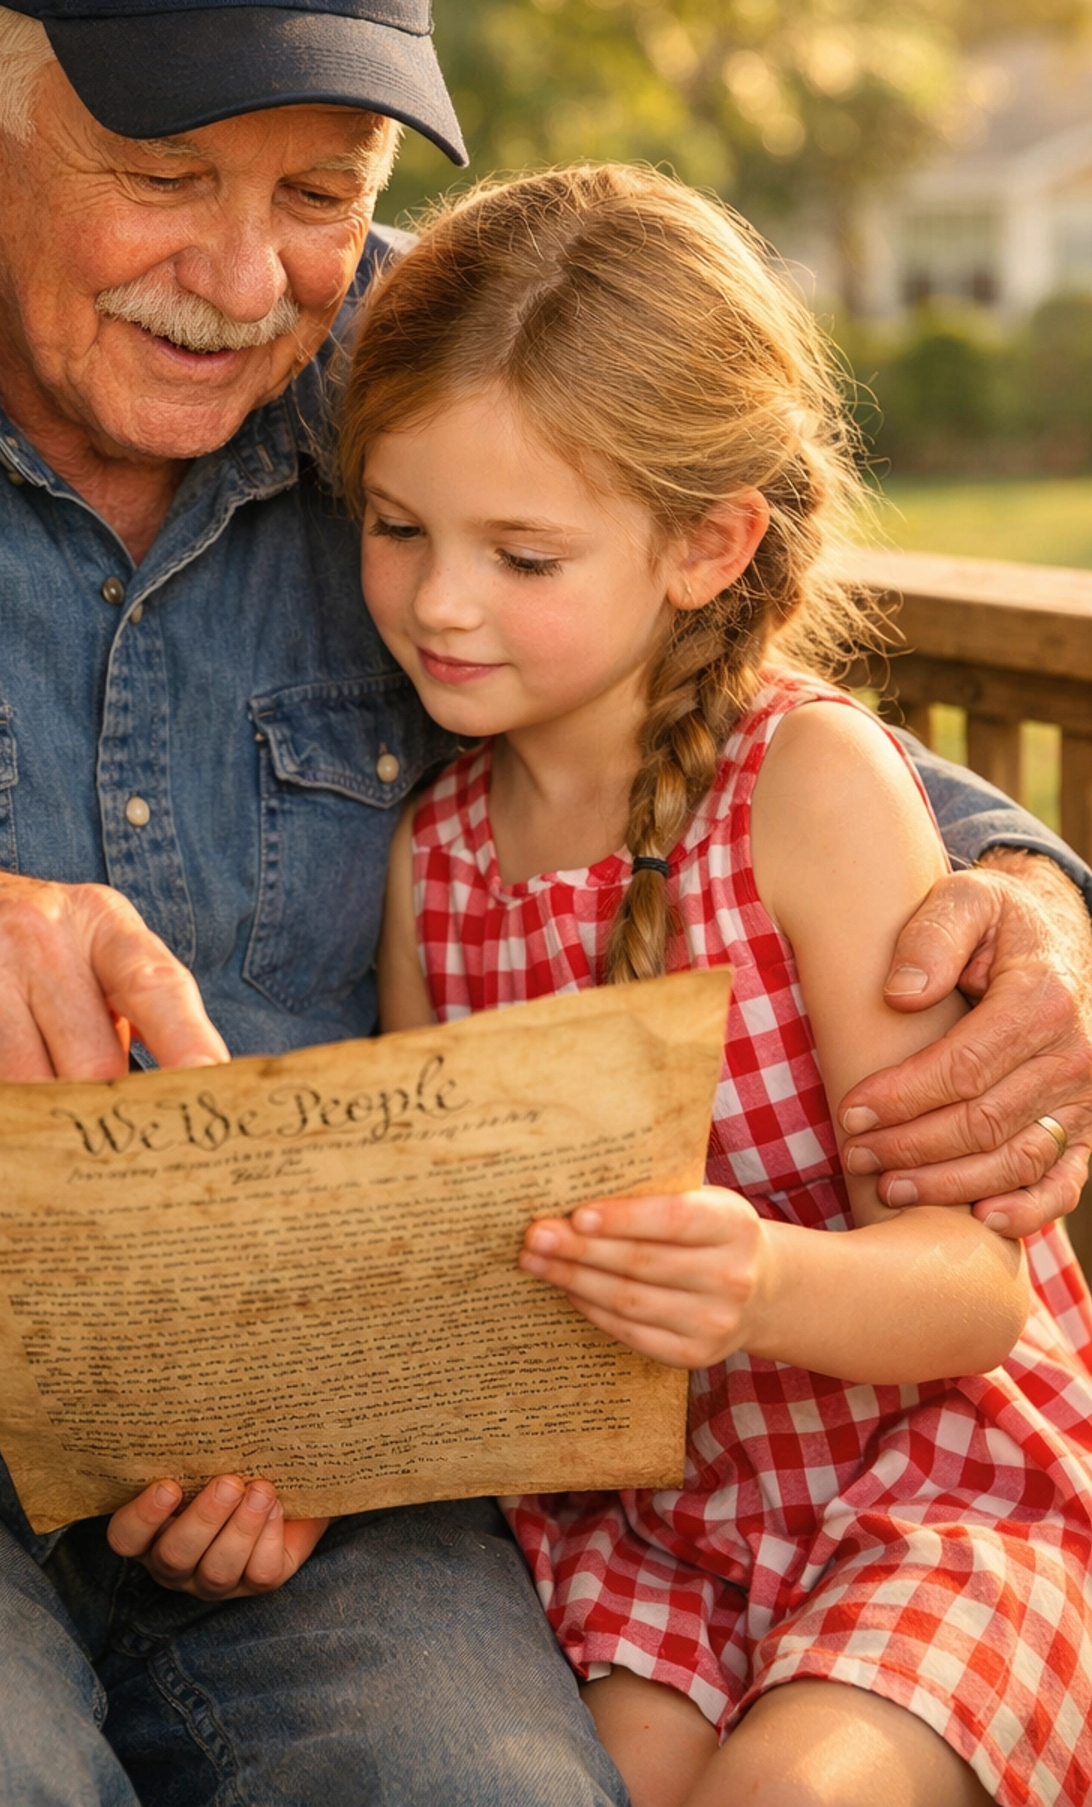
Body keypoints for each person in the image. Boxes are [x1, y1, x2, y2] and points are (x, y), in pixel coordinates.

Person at [0, 0, 1085, 1800]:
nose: (246, 276)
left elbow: (730, 708)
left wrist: (1029, 897)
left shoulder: (411, 371)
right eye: (167, 177)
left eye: (320, 193)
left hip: (348, 1418)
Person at [349, 164, 1092, 1807]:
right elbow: (446, 1281)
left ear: (706, 544)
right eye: (397, 528)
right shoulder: (435, 862)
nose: (440, 601)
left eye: (523, 556)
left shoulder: (808, 790)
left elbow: (978, 1291)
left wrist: (755, 1282)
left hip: (929, 1490)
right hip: (646, 1543)